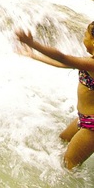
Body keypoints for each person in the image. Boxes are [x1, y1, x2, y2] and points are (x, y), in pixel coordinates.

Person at [15, 22, 94, 170]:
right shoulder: (88, 62)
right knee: (62, 140)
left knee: (68, 167)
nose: (83, 38)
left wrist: (32, 43)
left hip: (92, 125)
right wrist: (33, 55)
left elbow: (62, 57)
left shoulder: (92, 64)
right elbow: (62, 64)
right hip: (84, 118)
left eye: (85, 35)